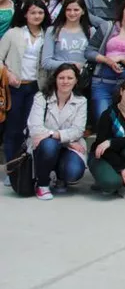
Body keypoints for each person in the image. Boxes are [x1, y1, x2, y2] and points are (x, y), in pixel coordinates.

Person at [26, 64, 88, 199]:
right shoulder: (41, 97)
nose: (65, 81)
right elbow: (35, 127)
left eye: (70, 78)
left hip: (67, 146)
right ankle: (42, 184)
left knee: (73, 171)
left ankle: (60, 177)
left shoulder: (81, 101)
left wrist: (53, 135)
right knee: (49, 145)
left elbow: (78, 131)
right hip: (44, 146)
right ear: (55, 79)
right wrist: (67, 142)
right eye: (61, 78)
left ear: (76, 80)